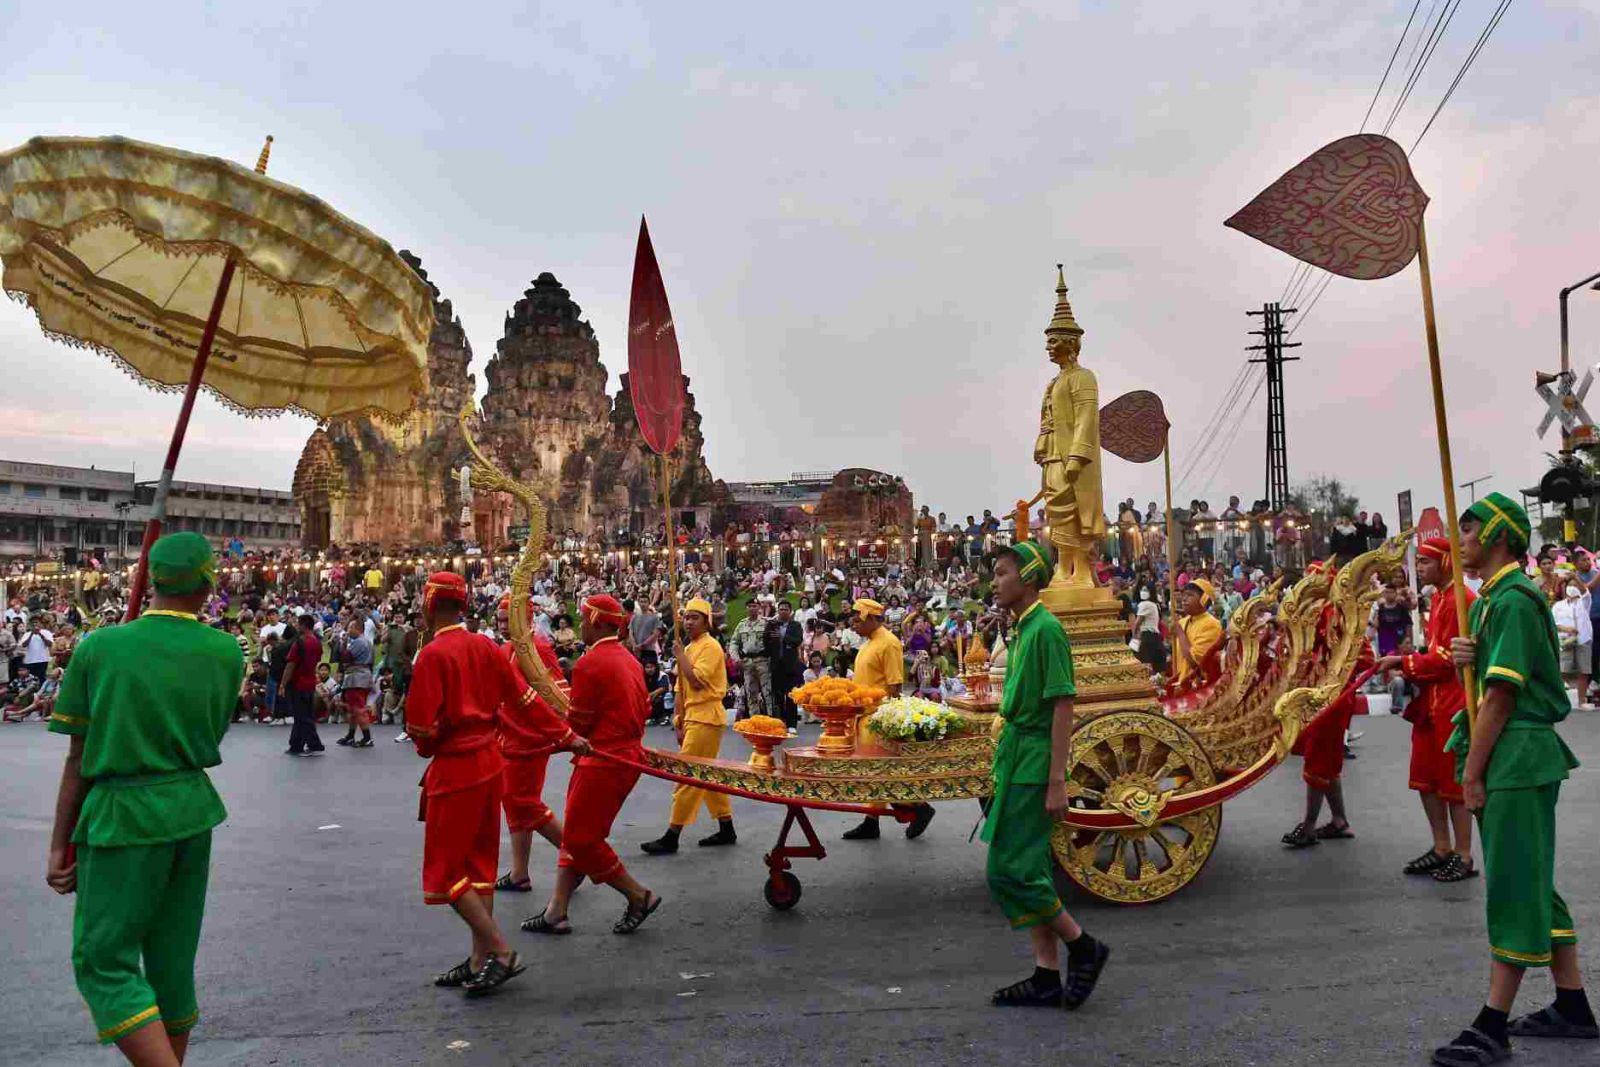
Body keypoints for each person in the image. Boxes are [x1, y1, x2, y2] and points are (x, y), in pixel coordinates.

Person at [45, 532, 244, 1065]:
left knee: (103, 962)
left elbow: (78, 757)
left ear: (149, 578)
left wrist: (59, 844)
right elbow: (213, 731)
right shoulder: (227, 652)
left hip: (123, 814)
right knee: (171, 962)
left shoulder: (100, 647)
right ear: (208, 585)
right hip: (191, 808)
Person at [1430, 494, 1595, 1064]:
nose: (1462, 539)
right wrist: (1467, 656)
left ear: (1500, 535)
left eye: (1470, 528)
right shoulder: (1496, 599)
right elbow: (1491, 677)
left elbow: (1500, 697)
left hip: (1515, 756)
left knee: (1513, 888)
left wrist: (1472, 774)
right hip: (1514, 754)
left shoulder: (1514, 600)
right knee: (1532, 881)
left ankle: (1492, 1025)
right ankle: (1572, 1005)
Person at [404, 572, 588, 997]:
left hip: (456, 770)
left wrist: (430, 742)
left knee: (446, 872)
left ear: (429, 605)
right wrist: (566, 736)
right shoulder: (486, 647)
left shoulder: (432, 654)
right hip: (491, 763)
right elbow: (526, 699)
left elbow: (420, 729)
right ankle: (479, 959)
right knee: (480, 868)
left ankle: (500, 952)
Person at [982, 541, 1109, 1008]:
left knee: (1007, 870)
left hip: (1034, 764)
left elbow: (1062, 704)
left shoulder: (1047, 630)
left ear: (1030, 577)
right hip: (1017, 756)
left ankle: (1083, 945)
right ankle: (1046, 973)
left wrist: (1057, 780)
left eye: (1002, 572)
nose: (994, 582)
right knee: (1030, 868)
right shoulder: (1023, 627)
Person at [522, 595, 662, 936]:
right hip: (623, 757)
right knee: (577, 834)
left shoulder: (589, 664)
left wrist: (551, 732)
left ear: (597, 623)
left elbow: (579, 724)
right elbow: (644, 708)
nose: (580, 625)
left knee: (582, 839)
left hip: (603, 761)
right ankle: (557, 910)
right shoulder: (629, 659)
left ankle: (638, 895)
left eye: (584, 620)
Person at [1380, 538, 1476, 883]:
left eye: (1425, 561)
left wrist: (1403, 662)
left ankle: (1463, 855)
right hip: (1431, 701)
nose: (1418, 568)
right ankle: (1441, 848)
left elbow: (1447, 660)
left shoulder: (1462, 599)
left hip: (1452, 701)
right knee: (1425, 776)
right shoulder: (1437, 598)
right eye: (1418, 561)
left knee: (1453, 782)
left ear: (1446, 562)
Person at [641, 598, 736, 854]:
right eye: (686, 617)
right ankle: (726, 826)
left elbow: (695, 681)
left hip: (707, 716)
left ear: (707, 621)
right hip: (693, 716)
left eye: (695, 617)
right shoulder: (689, 647)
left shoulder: (710, 647)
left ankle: (672, 835)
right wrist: (678, 721)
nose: (689, 622)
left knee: (686, 774)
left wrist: (680, 656)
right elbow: (679, 689)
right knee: (706, 773)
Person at [840, 598, 936, 841]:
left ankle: (918, 807)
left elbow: (894, 685)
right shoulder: (868, 643)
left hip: (878, 716)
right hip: (863, 715)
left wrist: (890, 720)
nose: (854, 625)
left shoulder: (889, 643)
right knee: (873, 772)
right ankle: (873, 820)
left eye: (858, 620)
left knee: (880, 771)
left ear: (872, 619)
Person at [493, 595, 567, 895]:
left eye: (506, 620)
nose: (501, 626)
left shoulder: (539, 649)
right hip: (508, 739)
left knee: (524, 803)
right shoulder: (506, 649)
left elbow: (559, 695)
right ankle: (519, 873)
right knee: (513, 804)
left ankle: (581, 857)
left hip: (531, 741)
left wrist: (561, 734)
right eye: (499, 620)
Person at [278, 614, 325, 756]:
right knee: (302, 715)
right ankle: (296, 744)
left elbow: (290, 665)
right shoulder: (317, 642)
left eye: (298, 624)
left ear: (304, 625)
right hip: (310, 681)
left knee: (302, 717)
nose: (297, 626)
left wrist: (283, 684)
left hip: (298, 682)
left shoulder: (299, 643)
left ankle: (314, 743)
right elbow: (317, 659)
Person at [1170, 580, 1224, 692]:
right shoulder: (1182, 622)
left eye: (1190, 595)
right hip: (1180, 686)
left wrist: (1180, 633)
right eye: (1184, 595)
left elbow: (1196, 662)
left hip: (1198, 689)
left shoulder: (1211, 624)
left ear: (1203, 599)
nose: (1184, 599)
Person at [335, 618, 376, 749]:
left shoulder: (359, 642)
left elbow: (345, 657)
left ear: (357, 628)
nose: (348, 631)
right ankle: (351, 735)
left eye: (350, 627)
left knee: (358, 708)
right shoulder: (367, 642)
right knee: (353, 708)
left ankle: (367, 737)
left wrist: (343, 643)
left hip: (356, 677)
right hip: (362, 675)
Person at [1553, 579, 1593, 711]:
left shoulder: (1584, 601)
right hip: (1566, 640)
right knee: (1563, 670)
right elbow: (1554, 623)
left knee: (1584, 671)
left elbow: (1585, 591)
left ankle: (1582, 701)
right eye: (1570, 585)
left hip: (1583, 640)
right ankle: (1558, 701)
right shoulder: (1558, 606)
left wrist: (1575, 578)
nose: (1572, 587)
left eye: (1575, 585)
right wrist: (1566, 629)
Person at [768, 599, 805, 735]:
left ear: (790, 612)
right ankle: (780, 722)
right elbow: (766, 641)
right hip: (776, 665)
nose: (783, 611)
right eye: (781, 609)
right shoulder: (772, 625)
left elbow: (797, 641)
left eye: (786, 609)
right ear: (778, 611)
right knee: (777, 696)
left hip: (790, 666)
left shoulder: (796, 625)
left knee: (790, 696)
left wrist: (783, 637)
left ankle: (792, 724)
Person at [731, 598, 772, 719]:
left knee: (767, 692)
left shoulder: (766, 623)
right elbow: (734, 642)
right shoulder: (741, 624)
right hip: (747, 662)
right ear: (746, 608)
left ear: (759, 608)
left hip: (762, 660)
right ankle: (755, 719)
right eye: (749, 606)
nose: (752, 608)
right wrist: (736, 658)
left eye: (754, 606)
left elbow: (773, 642)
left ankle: (771, 718)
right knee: (750, 692)